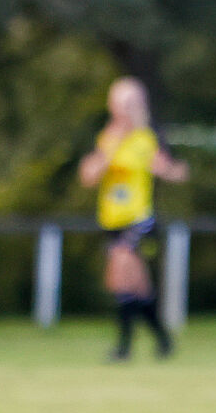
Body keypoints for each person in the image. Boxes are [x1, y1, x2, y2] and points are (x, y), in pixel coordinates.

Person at [78, 78, 188, 361]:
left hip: (139, 220)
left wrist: (176, 171)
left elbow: (168, 170)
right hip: (112, 221)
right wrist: (110, 150)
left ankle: (123, 348)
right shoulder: (107, 139)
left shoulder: (145, 139)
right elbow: (88, 176)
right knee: (135, 288)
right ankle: (163, 340)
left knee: (121, 271)